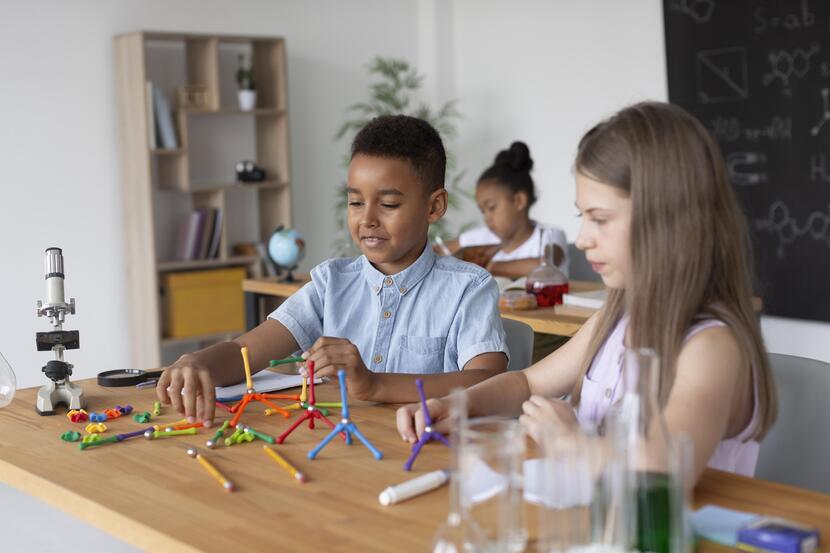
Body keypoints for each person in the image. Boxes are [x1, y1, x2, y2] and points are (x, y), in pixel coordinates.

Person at [397, 102, 777, 481]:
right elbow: (527, 383)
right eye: (583, 217)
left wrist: (569, 442)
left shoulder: (711, 347)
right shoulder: (615, 320)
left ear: (667, 221)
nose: (583, 239)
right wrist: (457, 405)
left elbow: (664, 473)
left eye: (600, 219)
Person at [158, 115, 508, 426]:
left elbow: (488, 381)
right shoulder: (331, 283)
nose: (367, 219)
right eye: (355, 202)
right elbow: (246, 352)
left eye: (388, 204)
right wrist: (196, 361)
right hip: (340, 454)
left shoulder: (468, 288)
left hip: (426, 456)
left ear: (434, 206)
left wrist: (374, 384)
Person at [446, 141, 569, 280]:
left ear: (519, 201)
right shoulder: (482, 238)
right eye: (483, 211)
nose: (487, 218)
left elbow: (546, 264)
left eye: (492, 208)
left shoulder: (549, 235)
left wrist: (488, 266)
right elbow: (440, 251)